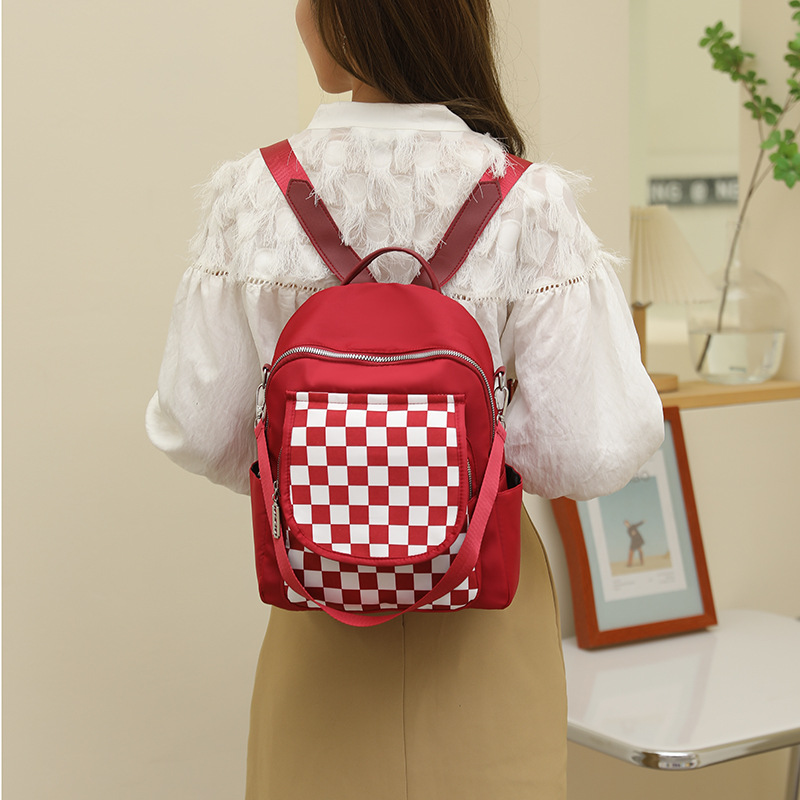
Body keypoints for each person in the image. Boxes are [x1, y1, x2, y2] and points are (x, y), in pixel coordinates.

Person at [146, 1, 664, 797]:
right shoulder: (527, 202)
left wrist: (342, 471)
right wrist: (453, 463)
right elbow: (594, 447)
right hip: (485, 607)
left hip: (320, 592)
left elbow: (198, 429)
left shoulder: (255, 194)